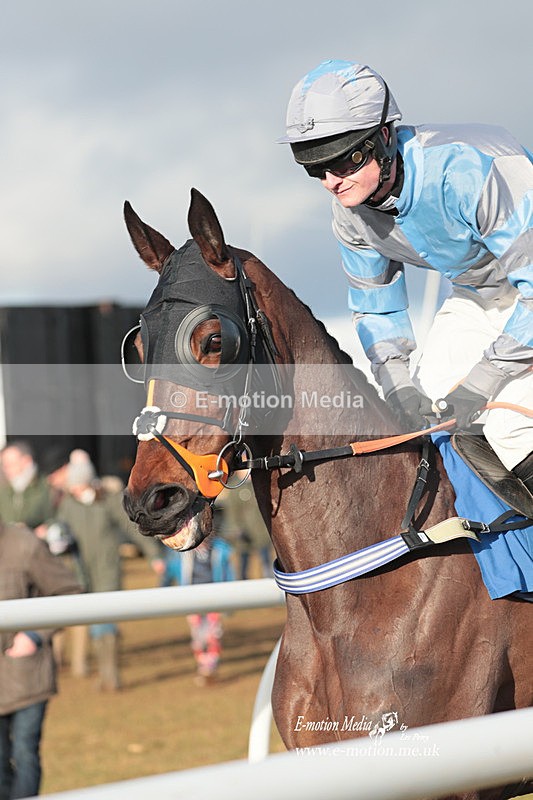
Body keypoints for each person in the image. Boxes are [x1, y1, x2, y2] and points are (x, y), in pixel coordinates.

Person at [278, 60, 533, 492]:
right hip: (480, 293)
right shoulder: (350, 216)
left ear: (383, 137)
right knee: (431, 423)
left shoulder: (470, 170)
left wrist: (484, 378)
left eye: (343, 162)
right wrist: (397, 387)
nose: (331, 183)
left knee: (507, 428)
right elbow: (376, 303)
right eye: (315, 168)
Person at [55, 454, 164, 690]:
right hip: (82, 573)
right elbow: (60, 533)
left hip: (107, 571)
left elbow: (132, 529)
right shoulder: (68, 506)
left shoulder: (107, 501)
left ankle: (111, 675)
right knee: (95, 624)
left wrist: (153, 555)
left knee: (106, 623)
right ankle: (104, 675)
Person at [0, 520, 81, 799]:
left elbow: (69, 592)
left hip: (26, 674)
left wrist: (34, 635)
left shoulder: (24, 544)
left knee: (24, 752)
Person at [161, 508, 234, 686]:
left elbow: (229, 574)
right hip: (191, 599)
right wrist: (163, 588)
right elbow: (170, 570)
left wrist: (231, 599)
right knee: (197, 635)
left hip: (214, 599)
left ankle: (210, 668)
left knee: (213, 634)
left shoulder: (221, 550)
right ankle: (202, 666)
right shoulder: (183, 552)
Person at [218, 476, 273, 579]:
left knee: (266, 565)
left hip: (262, 534)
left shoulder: (258, 484)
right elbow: (232, 512)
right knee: (243, 568)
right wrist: (237, 529)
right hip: (243, 537)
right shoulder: (235, 487)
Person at [0, 441, 54, 530]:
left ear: (27, 461)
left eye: (10, 464)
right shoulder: (4, 491)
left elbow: (60, 518)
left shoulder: (46, 487)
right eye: (3, 465)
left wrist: (45, 529)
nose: (5, 469)